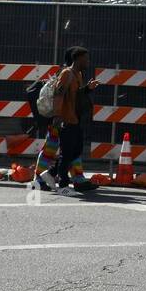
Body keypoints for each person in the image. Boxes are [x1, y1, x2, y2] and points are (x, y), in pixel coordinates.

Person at [35, 46, 98, 195]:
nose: (88, 61)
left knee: (75, 151)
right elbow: (58, 95)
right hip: (65, 119)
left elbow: (76, 96)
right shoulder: (66, 74)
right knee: (65, 152)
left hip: (75, 119)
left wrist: (87, 89)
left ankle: (50, 173)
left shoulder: (79, 75)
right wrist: (57, 116)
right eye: (85, 59)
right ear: (77, 59)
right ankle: (63, 184)